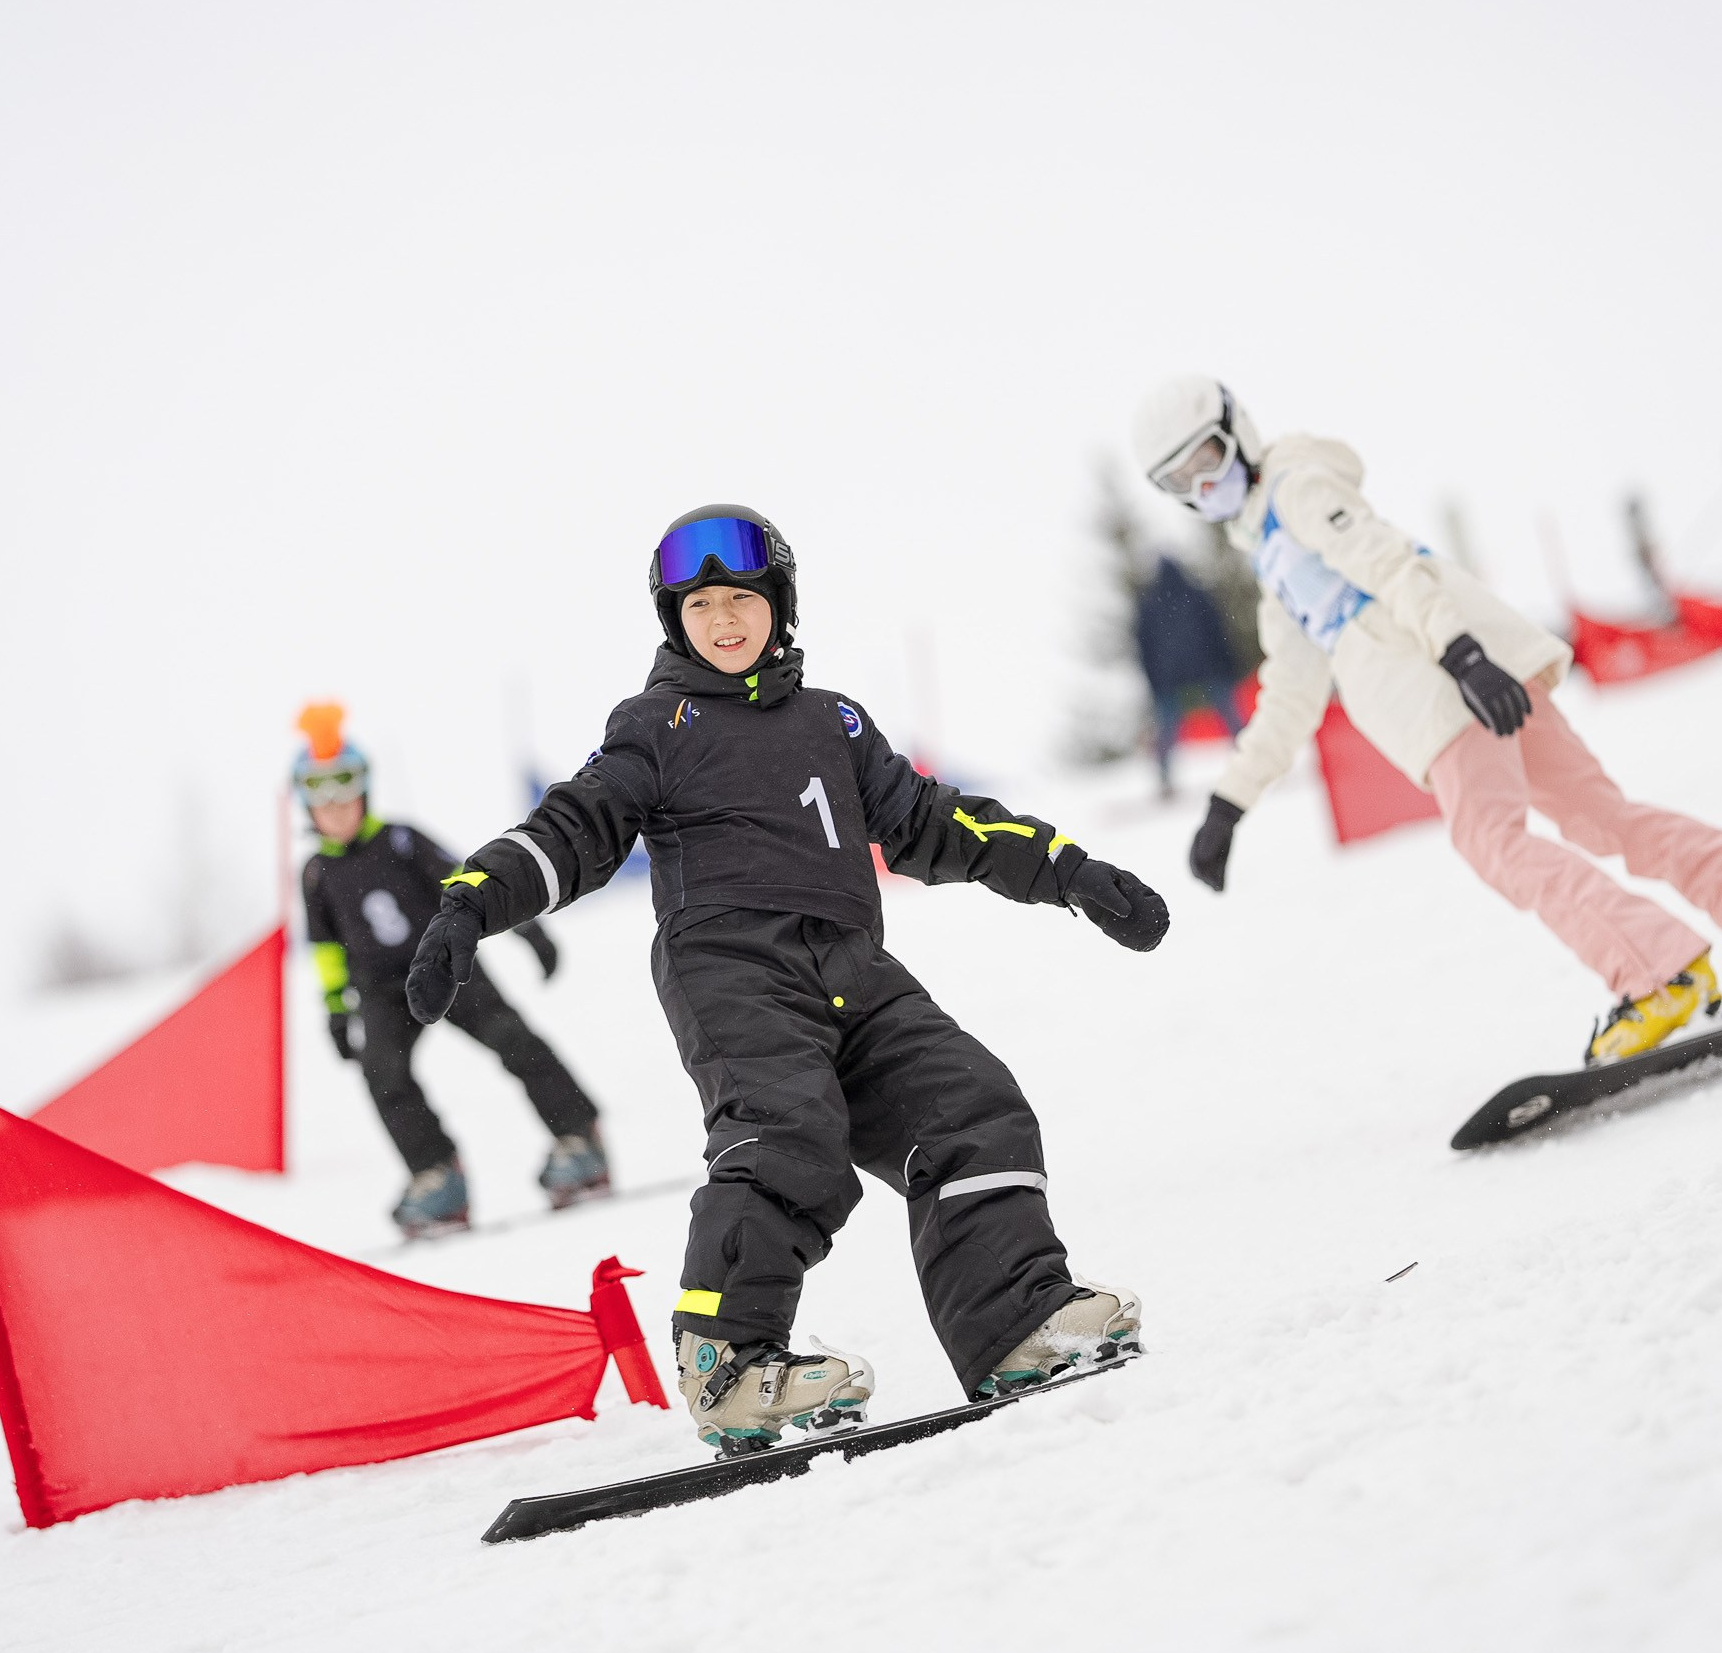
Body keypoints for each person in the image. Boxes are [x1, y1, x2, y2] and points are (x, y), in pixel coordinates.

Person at [404, 507, 1166, 1454]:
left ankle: (1018, 1324)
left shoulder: (833, 722)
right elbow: (575, 827)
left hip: (853, 963)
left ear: (780, 606)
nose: (724, 621)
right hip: (730, 968)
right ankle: (729, 1365)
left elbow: (937, 822)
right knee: (788, 1134)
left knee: (968, 1104)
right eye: (701, 605)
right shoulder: (655, 726)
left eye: (743, 600)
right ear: (673, 619)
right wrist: (472, 899)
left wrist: (1074, 873)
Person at [1132, 376, 1722, 1065]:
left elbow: (1388, 564)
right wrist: (1229, 802)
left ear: (1240, 432)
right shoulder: (1274, 560)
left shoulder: (1299, 490)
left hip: (1446, 686)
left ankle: (1657, 972)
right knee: (1605, 817)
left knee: (1492, 839)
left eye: (1209, 460)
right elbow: (1290, 690)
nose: (1204, 487)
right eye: (1181, 482)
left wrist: (1460, 653)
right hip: (1471, 673)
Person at [293, 705, 608, 1238]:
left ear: (364, 792)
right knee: (383, 1073)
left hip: (442, 966)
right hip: (380, 990)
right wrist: (333, 1009)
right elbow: (326, 949)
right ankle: (437, 1177)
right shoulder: (317, 874)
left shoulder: (401, 841)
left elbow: (470, 881)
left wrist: (525, 928)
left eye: (345, 797)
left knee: (511, 1037)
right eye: (323, 803)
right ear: (308, 808)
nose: (337, 811)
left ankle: (580, 1139)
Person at [1132, 552, 1245, 796]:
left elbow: (1144, 647)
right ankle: (1253, 762)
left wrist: (1154, 682)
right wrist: (1228, 665)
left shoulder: (1150, 604)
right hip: (1206, 669)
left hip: (1170, 678)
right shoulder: (1196, 595)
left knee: (1166, 731)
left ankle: (1164, 781)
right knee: (1232, 718)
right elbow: (1218, 631)